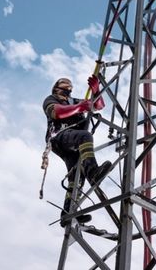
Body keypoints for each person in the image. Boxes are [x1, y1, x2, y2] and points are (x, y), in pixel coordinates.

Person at [43, 75, 111, 227]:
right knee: (84, 137)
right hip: (60, 137)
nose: (68, 89)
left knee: (76, 176)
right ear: (56, 88)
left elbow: (98, 105)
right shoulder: (51, 100)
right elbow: (57, 113)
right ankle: (93, 172)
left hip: (71, 141)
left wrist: (96, 90)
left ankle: (68, 213)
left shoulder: (74, 101)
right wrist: (80, 107)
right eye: (64, 85)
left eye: (70, 87)